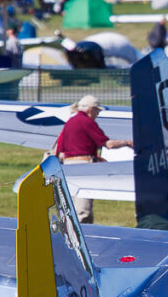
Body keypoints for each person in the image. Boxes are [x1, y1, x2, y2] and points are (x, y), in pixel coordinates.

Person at [55, 95, 133, 224]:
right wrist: (127, 143)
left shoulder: (70, 122)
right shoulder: (87, 122)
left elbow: (63, 150)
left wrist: (95, 157)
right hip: (83, 167)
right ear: (91, 109)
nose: (98, 114)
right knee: (83, 209)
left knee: (72, 206)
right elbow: (108, 144)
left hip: (67, 167)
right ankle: (84, 237)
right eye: (97, 111)